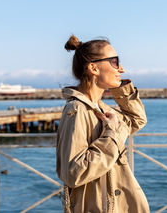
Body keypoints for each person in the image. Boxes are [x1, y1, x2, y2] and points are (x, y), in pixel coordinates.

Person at [56, 35, 149, 213]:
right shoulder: (77, 110)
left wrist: (119, 88)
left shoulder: (100, 108)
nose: (121, 69)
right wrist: (112, 135)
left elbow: (137, 120)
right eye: (115, 62)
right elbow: (73, 173)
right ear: (93, 68)